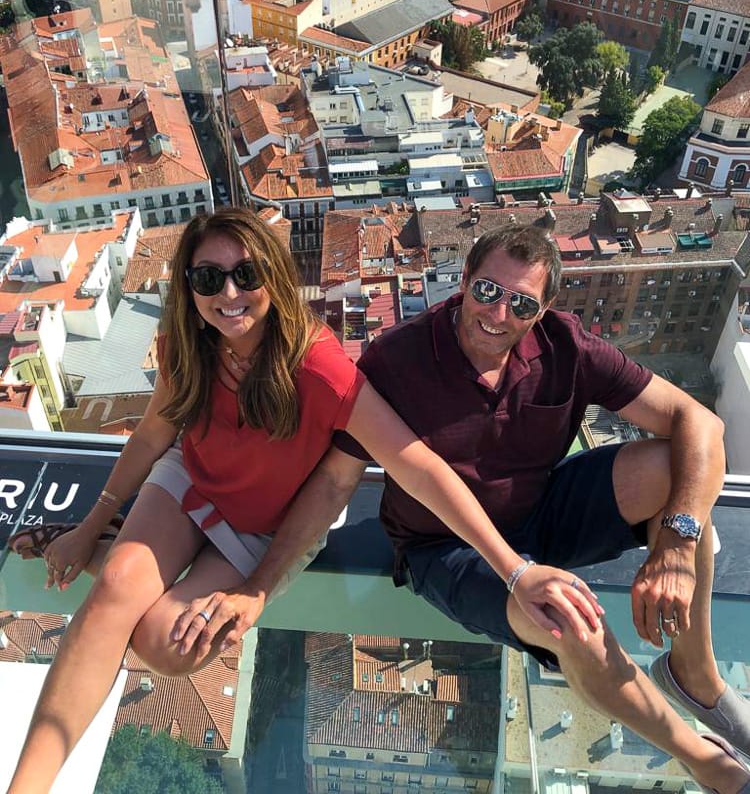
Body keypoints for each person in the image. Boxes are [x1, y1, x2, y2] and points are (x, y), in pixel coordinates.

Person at [6, 211, 602, 794]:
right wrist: (88, 523)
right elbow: (153, 436)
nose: (229, 294)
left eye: (247, 274)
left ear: (275, 278)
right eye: (208, 278)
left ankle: (119, 551)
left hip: (263, 527)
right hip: (188, 483)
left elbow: (417, 466)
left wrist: (514, 569)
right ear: (189, 287)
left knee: (170, 646)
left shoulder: (317, 367)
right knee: (114, 592)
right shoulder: (185, 345)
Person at [352, 223, 750, 794]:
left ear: (542, 310)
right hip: (444, 547)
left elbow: (701, 423)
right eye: (488, 291)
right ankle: (705, 761)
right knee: (572, 623)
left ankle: (696, 674)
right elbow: (351, 469)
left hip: (539, 511)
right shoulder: (399, 359)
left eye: (521, 302)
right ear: (462, 282)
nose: (498, 314)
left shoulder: (564, 346)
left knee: (677, 469)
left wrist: (679, 546)